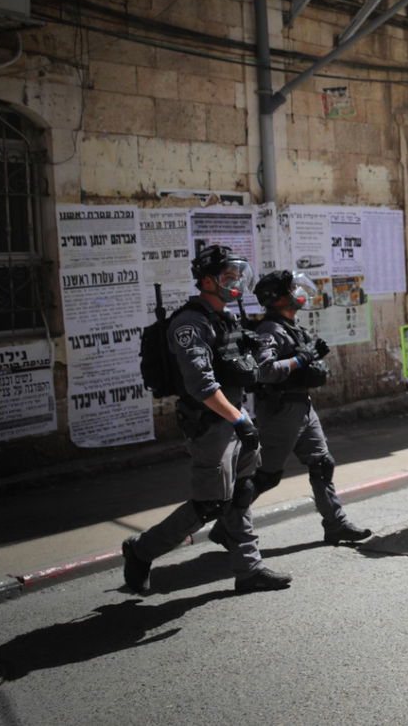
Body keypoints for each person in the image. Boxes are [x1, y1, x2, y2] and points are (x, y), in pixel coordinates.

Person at [122, 246, 291, 594]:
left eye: (236, 276)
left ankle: (249, 570)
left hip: (236, 415)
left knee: (242, 491)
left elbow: (240, 367)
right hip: (211, 424)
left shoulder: (225, 317)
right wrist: (239, 421)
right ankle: (141, 550)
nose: (235, 283)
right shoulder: (190, 324)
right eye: (228, 277)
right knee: (209, 503)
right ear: (207, 280)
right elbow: (200, 386)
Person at [205, 270, 371, 547]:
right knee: (266, 476)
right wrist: (302, 358)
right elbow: (265, 371)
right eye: (292, 289)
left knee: (322, 463)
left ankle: (336, 524)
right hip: (281, 409)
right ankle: (226, 525)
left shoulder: (291, 326)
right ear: (278, 298)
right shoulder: (270, 330)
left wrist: (312, 356)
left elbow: (300, 362)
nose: (299, 293)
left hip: (302, 405)